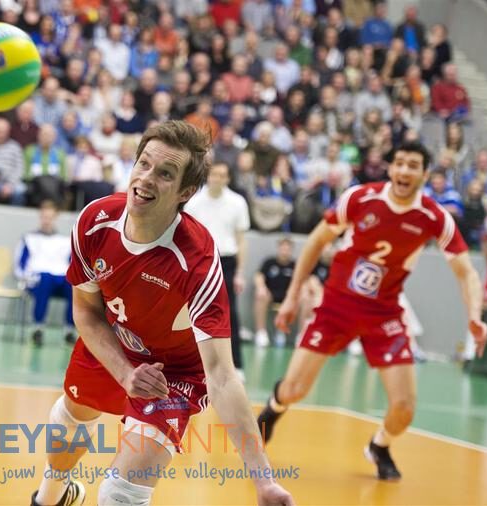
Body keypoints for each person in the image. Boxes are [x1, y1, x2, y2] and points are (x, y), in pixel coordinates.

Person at [31, 121, 294, 506]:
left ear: (185, 192)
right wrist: (125, 373)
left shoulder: (197, 260)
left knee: (119, 494)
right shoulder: (94, 222)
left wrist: (264, 481)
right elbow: (86, 311)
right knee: (71, 420)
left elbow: (222, 375)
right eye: (144, 164)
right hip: (114, 342)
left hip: (173, 374)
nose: (146, 179)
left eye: (165, 173)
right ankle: (52, 496)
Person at [257, 141, 487, 480]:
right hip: (336, 306)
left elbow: (466, 272)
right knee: (295, 390)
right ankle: (273, 409)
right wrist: (292, 297)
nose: (404, 171)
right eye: (399, 163)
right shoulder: (360, 198)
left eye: (413, 165)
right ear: (390, 168)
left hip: (385, 314)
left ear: (425, 174)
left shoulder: (434, 217)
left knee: (404, 409)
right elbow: (317, 242)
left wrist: (475, 317)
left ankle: (379, 446)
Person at [184, 162, 250, 380]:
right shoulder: (194, 202)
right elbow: (186, 237)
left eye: (222, 175)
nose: (217, 178)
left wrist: (240, 272)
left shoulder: (237, 202)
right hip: (199, 261)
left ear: (228, 179)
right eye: (214, 174)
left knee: (229, 313)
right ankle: (194, 364)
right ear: (208, 176)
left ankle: (236, 365)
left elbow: (241, 240)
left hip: (226, 261)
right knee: (193, 312)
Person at [14, 200, 74, 347]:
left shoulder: (64, 241)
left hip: (59, 279)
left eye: (50, 217)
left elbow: (71, 265)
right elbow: (19, 265)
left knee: (74, 286)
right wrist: (26, 277)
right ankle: (38, 328)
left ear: (55, 218)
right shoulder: (28, 238)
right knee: (45, 279)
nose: (47, 220)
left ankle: (69, 330)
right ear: (40, 217)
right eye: (44, 217)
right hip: (37, 280)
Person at [252, 238, 296, 347]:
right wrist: (261, 287)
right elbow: (258, 276)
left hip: (288, 297)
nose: (285, 251)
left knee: (303, 299)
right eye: (283, 248)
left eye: (287, 249)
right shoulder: (269, 262)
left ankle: (285, 331)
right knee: (260, 296)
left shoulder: (295, 265)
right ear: (279, 248)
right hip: (270, 295)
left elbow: (303, 280)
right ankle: (261, 333)